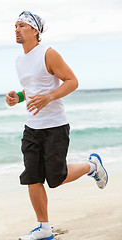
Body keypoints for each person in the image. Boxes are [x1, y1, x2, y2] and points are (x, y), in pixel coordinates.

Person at [6, 11, 108, 240]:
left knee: (57, 178)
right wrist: (19, 97)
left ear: (35, 30)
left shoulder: (49, 54)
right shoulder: (20, 60)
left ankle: (92, 166)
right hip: (32, 127)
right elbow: (33, 90)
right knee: (32, 177)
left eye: (22, 25)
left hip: (55, 126)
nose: (16, 29)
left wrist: (50, 97)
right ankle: (43, 228)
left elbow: (72, 81)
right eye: (15, 26)